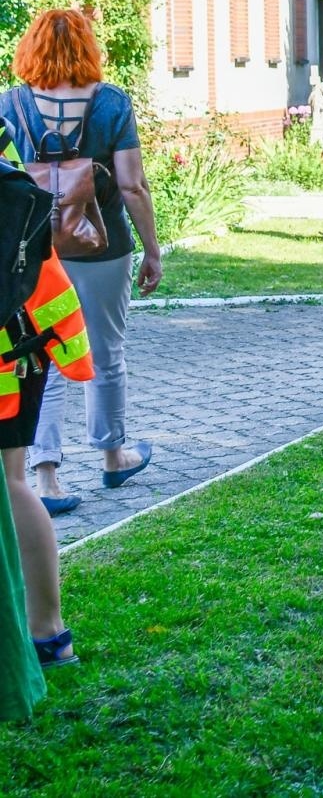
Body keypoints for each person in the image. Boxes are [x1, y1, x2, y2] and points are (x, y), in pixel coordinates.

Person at [0, 10, 160, 512]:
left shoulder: (11, 103)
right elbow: (132, 184)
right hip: (102, 245)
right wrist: (152, 249)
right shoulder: (110, 102)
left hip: (33, 255)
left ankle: (44, 476)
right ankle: (113, 455)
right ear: (88, 48)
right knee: (106, 351)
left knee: (41, 353)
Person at [1, 116, 91, 699]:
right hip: (24, 347)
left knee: (9, 483)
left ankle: (44, 631)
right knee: (12, 480)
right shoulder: (9, 170)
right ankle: (46, 630)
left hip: (9, 357)